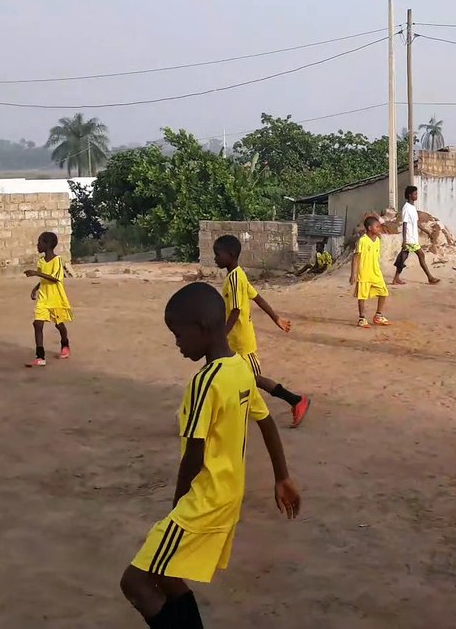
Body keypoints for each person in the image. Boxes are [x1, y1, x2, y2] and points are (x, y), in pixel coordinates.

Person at [120, 282, 301, 628]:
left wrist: (177, 508)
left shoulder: (205, 382)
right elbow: (266, 423)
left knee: (136, 582)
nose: (176, 344)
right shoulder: (240, 371)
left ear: (201, 329)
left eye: (177, 335)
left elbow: (194, 455)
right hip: (226, 496)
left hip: (202, 501)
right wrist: (282, 476)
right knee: (168, 575)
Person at [214, 235, 312, 429]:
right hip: (236, 340)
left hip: (241, 342)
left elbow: (235, 311)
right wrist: (277, 319)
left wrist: (221, 336)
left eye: (218, 254)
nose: (215, 258)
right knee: (229, 376)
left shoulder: (235, 279)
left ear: (230, 255)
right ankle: (226, 412)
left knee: (254, 379)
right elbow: (258, 298)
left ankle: (295, 400)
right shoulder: (238, 275)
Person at [24, 231, 72, 367]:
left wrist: (35, 273)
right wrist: (36, 288)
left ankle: (65, 344)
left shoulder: (58, 260)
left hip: (56, 298)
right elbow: (44, 278)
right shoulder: (41, 261)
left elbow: (55, 277)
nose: (37, 245)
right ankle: (40, 356)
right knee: (37, 324)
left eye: (39, 242)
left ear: (47, 244)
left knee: (59, 324)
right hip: (44, 297)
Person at [393, 185, 440, 285]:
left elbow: (416, 223)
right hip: (410, 238)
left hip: (413, 237)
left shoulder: (412, 208)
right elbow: (405, 224)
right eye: (415, 194)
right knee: (420, 255)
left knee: (403, 257)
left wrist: (427, 231)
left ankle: (396, 278)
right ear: (410, 195)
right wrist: (404, 240)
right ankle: (430, 277)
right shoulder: (406, 208)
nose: (416, 195)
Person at [353, 215, 391, 328]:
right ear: (370, 228)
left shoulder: (378, 240)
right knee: (362, 296)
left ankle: (378, 316)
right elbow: (356, 257)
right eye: (377, 227)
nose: (379, 229)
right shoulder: (362, 241)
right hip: (364, 273)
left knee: (384, 292)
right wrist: (353, 274)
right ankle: (362, 318)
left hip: (376, 272)